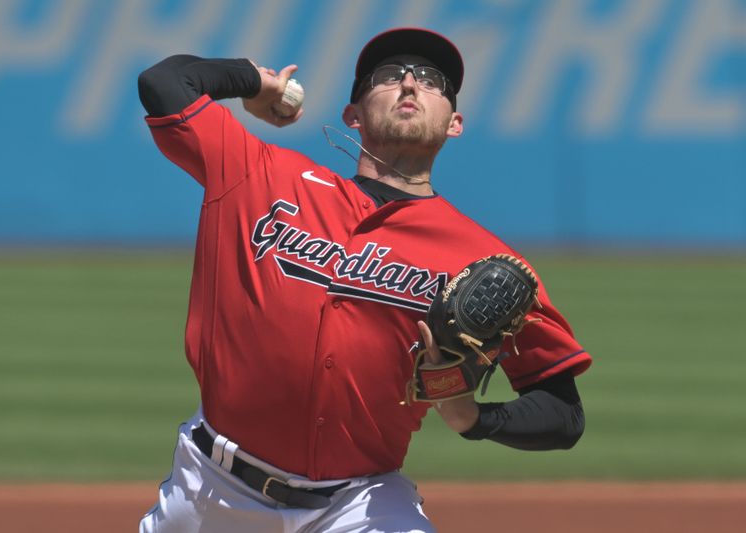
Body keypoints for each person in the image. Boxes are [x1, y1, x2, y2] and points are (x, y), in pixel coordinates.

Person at [136, 27, 592, 532]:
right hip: (211, 492)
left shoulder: (485, 261)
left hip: (360, 506)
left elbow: (563, 411)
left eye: (432, 81)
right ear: (352, 115)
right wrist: (254, 83)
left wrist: (475, 419)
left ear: (455, 123)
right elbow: (165, 82)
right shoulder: (257, 174)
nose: (411, 84)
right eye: (389, 76)